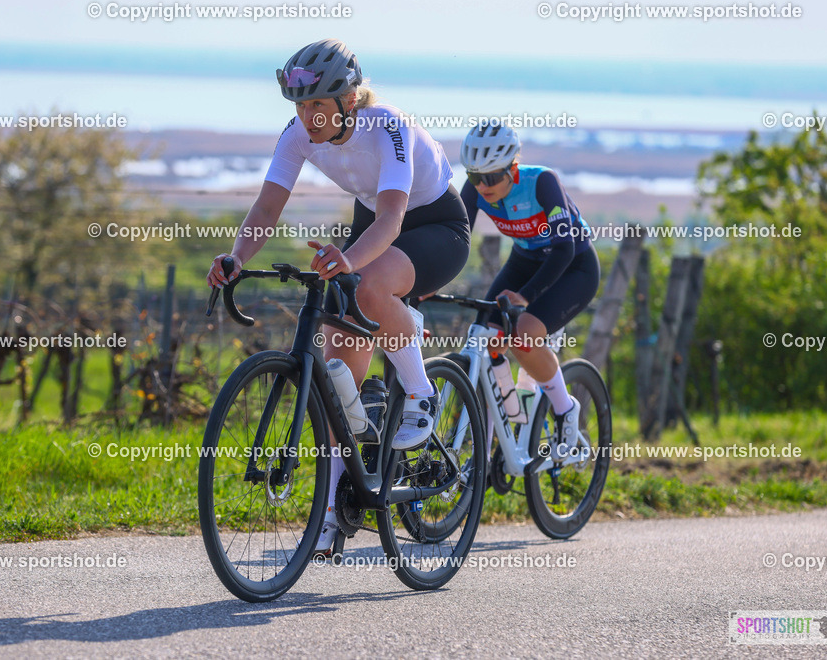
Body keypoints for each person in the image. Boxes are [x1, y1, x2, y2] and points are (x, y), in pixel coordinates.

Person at [206, 39, 470, 550]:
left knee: (368, 287)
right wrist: (237, 258)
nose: (307, 117)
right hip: (374, 221)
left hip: (434, 223)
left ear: (348, 100)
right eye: (300, 106)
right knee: (333, 371)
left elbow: (394, 218)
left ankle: (420, 392)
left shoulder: (387, 125)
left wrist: (349, 260)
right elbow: (265, 211)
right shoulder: (297, 134)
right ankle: (331, 512)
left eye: (316, 106)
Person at [459, 121, 599, 459]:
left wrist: (527, 296)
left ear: (513, 168)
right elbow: (454, 235)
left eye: (492, 176)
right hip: (525, 260)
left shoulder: (542, 182)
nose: (483, 185)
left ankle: (565, 409)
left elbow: (564, 250)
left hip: (573, 265)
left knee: (522, 336)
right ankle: (504, 429)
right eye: (476, 177)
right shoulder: (476, 187)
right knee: (484, 333)